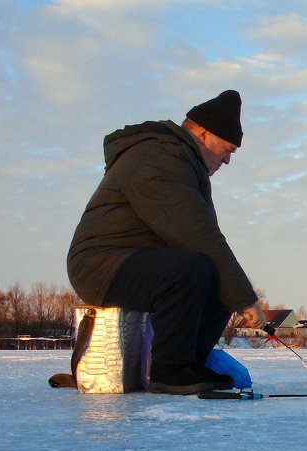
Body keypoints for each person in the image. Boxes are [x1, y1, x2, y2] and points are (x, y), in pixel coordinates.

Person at [67, 90, 266, 394]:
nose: (226, 160)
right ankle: (170, 371)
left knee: (209, 273)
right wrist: (245, 299)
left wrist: (235, 295)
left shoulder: (183, 164)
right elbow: (196, 234)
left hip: (138, 260)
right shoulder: (158, 157)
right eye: (226, 150)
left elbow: (202, 238)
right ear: (202, 133)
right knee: (192, 267)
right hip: (102, 264)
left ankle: (190, 364)